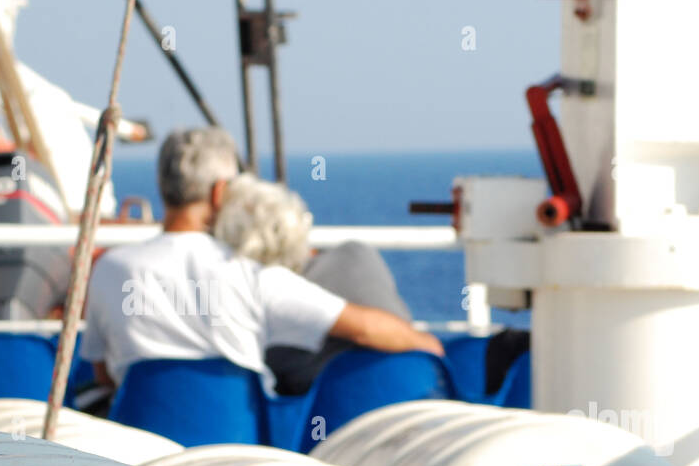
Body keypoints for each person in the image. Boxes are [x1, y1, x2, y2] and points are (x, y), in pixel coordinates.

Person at [81, 127, 442, 400]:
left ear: (162, 186)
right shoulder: (249, 274)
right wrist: (426, 343)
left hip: (145, 440)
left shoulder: (110, 268)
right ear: (221, 191)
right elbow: (364, 328)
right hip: (237, 440)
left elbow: (103, 374)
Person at [210, 171, 424, 395]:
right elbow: (409, 343)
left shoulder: (266, 300)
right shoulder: (357, 254)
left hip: (330, 419)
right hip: (405, 401)